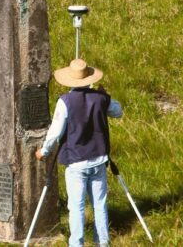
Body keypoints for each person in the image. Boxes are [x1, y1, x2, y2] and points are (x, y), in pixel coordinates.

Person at [35, 58, 122, 247]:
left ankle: (77, 244)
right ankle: (103, 242)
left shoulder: (65, 101)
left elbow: (56, 132)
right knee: (99, 204)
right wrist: (106, 96)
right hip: (99, 159)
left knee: (76, 207)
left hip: (76, 162)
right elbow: (118, 112)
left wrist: (44, 150)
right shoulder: (100, 98)